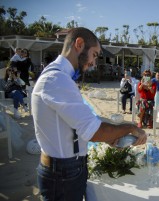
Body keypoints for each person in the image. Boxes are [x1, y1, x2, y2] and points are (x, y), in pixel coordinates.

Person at [31, 27, 147, 201]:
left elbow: (72, 124)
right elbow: (93, 131)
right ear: (79, 44)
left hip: (66, 168)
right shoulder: (56, 79)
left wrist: (108, 138)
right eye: (94, 54)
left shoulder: (61, 77)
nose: (94, 62)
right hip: (62, 173)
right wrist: (130, 128)